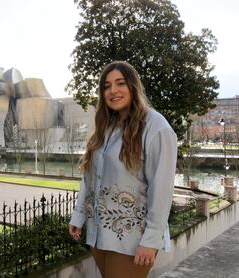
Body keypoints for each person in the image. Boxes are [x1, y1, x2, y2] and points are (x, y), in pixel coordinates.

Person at [68, 61, 177, 278]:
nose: (113, 91)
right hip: (100, 235)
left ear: (133, 86)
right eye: (107, 86)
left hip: (133, 240)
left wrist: (151, 239)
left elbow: (162, 187)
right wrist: (78, 215)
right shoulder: (106, 127)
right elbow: (89, 177)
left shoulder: (155, 126)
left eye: (120, 83)